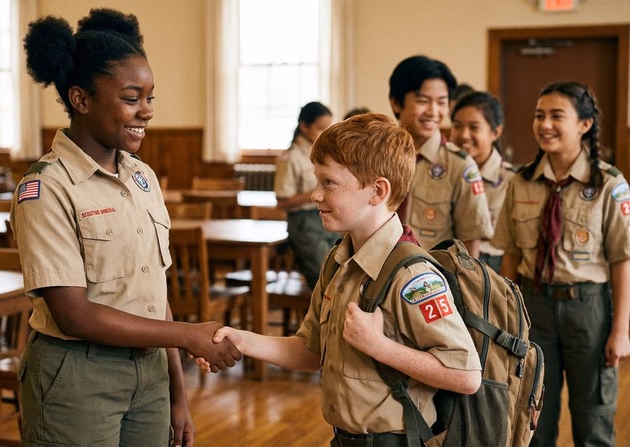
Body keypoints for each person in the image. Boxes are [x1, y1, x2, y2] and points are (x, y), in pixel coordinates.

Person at [13, 9, 241, 447]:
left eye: (151, 97)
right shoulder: (45, 188)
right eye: (132, 97)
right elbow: (73, 314)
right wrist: (190, 335)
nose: (147, 111)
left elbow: (156, 296)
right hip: (77, 376)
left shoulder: (143, 178)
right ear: (81, 99)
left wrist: (178, 393)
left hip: (151, 376)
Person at [203, 114, 481, 445]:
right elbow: (310, 352)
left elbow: (466, 375)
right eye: (317, 181)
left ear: (377, 191)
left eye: (328, 183)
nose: (315, 195)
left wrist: (379, 347)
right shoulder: (338, 261)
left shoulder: (411, 275)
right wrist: (244, 341)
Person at [493, 81, 630, 447]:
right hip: (534, 307)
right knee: (534, 414)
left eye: (557, 115)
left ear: (584, 124)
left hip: (589, 309)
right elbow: (510, 256)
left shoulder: (608, 184)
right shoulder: (520, 182)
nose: (545, 124)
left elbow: (621, 260)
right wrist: (507, 321)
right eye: (540, 116)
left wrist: (621, 330)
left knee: (594, 418)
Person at [388, 55, 492, 256]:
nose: (433, 111)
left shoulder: (460, 165)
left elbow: (470, 244)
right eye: (423, 101)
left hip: (432, 281)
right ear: (396, 103)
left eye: (441, 102)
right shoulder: (376, 157)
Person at [274, 101, 338, 288]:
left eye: (328, 128)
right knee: (324, 279)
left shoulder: (322, 154)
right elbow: (282, 202)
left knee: (340, 270)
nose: (325, 133)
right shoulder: (291, 157)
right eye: (320, 128)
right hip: (303, 224)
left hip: (326, 220)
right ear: (303, 126)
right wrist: (316, 192)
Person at [450, 91, 515, 272]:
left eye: (474, 127)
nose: (464, 135)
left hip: (492, 271)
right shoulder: (441, 175)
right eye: (457, 126)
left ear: (495, 132)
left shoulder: (512, 180)